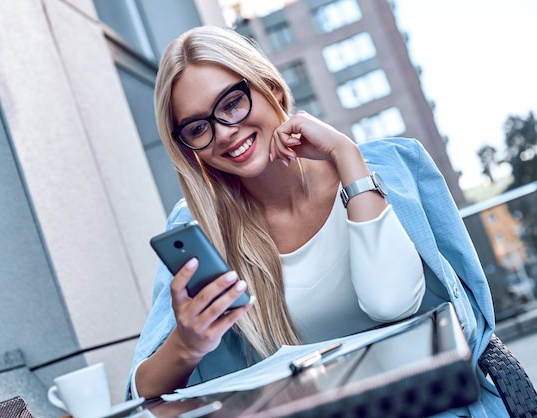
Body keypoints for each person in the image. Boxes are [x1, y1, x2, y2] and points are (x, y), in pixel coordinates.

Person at [127, 25, 505, 416]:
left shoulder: (396, 165)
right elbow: (141, 391)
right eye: (198, 128)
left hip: (429, 404)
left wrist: (346, 155)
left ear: (271, 89)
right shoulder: (200, 226)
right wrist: (188, 344)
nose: (223, 132)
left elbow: (393, 304)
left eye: (231, 103)